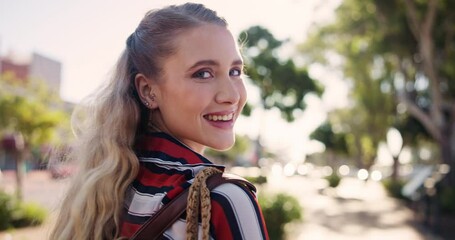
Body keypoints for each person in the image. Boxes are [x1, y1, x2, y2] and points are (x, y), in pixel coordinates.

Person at [50, 2, 269, 240]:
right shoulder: (223, 199)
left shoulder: (109, 189)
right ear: (148, 90)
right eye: (203, 73)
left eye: (235, 71)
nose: (232, 96)